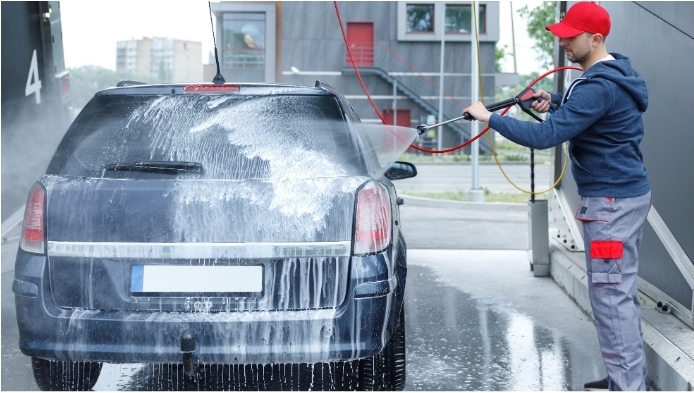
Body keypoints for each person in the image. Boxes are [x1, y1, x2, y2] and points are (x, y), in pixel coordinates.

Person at [463, 2, 651, 391]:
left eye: (571, 36)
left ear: (596, 39)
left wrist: (491, 118)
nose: (563, 41)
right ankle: (627, 378)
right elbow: (596, 113)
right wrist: (559, 101)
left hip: (611, 207)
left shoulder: (598, 85)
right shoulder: (613, 76)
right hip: (621, 198)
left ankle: (628, 385)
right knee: (618, 292)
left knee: (611, 296)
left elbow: (547, 136)